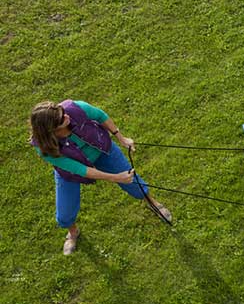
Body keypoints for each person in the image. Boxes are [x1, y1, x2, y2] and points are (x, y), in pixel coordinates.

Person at [29, 100, 172, 255]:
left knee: (133, 182)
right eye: (61, 118)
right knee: (64, 214)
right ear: (52, 129)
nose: (66, 115)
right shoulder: (43, 147)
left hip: (103, 150)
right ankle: (73, 232)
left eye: (61, 111)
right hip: (73, 170)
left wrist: (121, 138)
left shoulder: (74, 108)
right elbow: (79, 169)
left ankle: (153, 203)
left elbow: (99, 115)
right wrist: (115, 177)